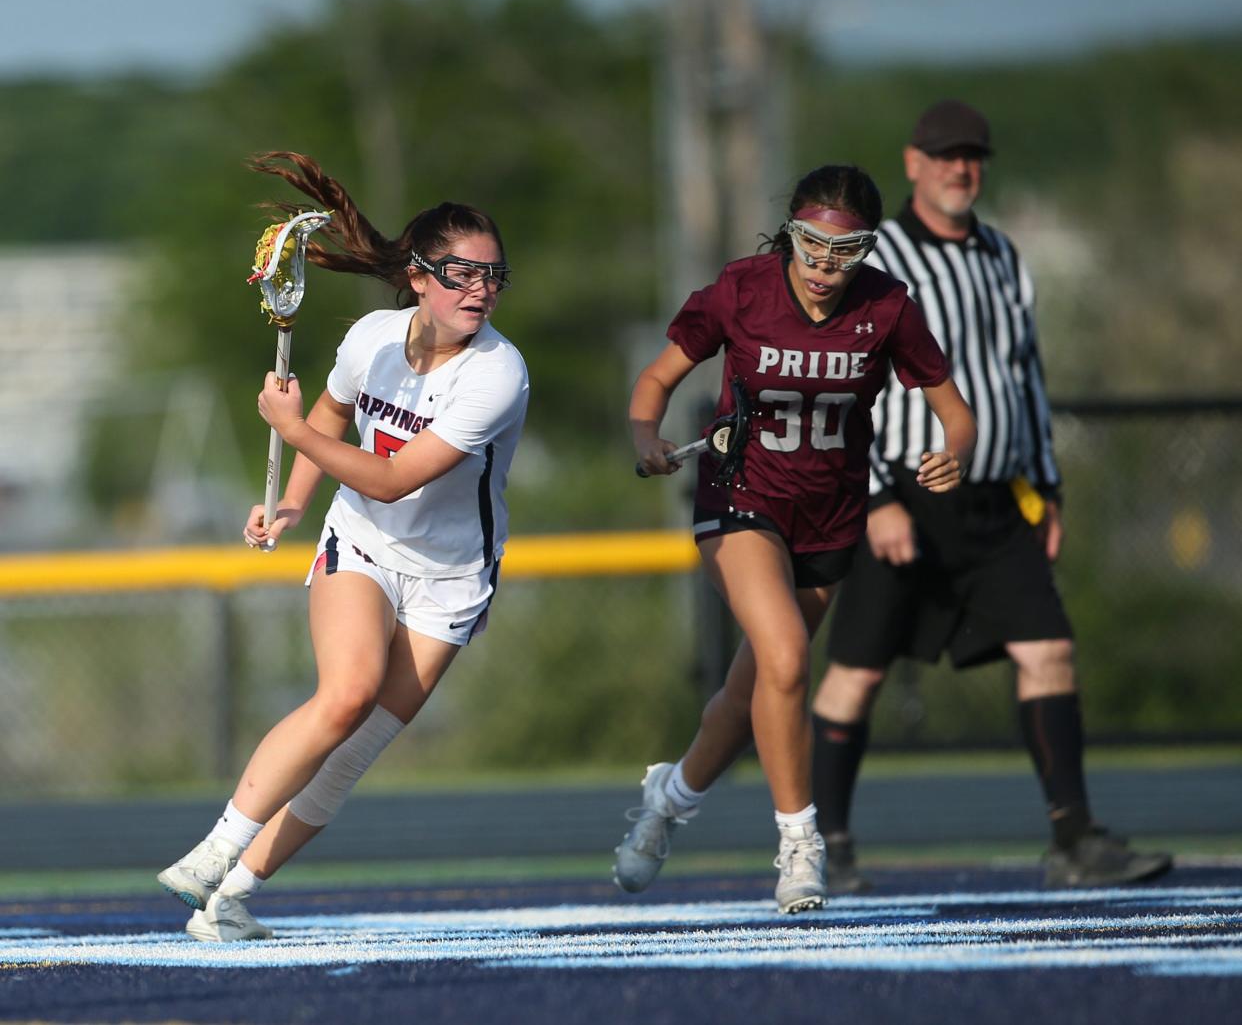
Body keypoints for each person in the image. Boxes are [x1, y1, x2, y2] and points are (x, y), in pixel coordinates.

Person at [157, 152, 529, 941]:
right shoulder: (371, 339)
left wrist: (291, 431)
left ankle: (233, 896)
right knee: (347, 692)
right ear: (419, 277)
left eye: (494, 276)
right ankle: (214, 850)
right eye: (462, 274)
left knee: (354, 755)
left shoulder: (499, 375)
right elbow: (329, 422)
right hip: (359, 542)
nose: (481, 291)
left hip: (451, 578)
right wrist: (291, 501)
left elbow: (394, 477)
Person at [808, 100, 1173, 892]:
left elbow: (1024, 375)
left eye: (971, 155)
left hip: (997, 500)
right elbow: (841, 383)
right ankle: (823, 842)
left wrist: (1047, 486)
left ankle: (1073, 839)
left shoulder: (1003, 254)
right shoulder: (880, 260)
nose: (959, 168)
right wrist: (874, 498)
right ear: (913, 163)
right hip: (904, 488)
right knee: (858, 672)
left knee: (1049, 651)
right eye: (943, 155)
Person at [616, 163, 977, 912]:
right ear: (790, 233)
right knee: (785, 658)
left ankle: (668, 799)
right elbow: (655, 381)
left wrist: (956, 452)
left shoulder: (888, 308)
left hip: (830, 513)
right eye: (812, 246)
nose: (825, 267)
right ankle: (799, 844)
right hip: (740, 496)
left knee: (753, 691)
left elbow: (957, 410)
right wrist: (647, 437)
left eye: (845, 252)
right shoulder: (742, 290)